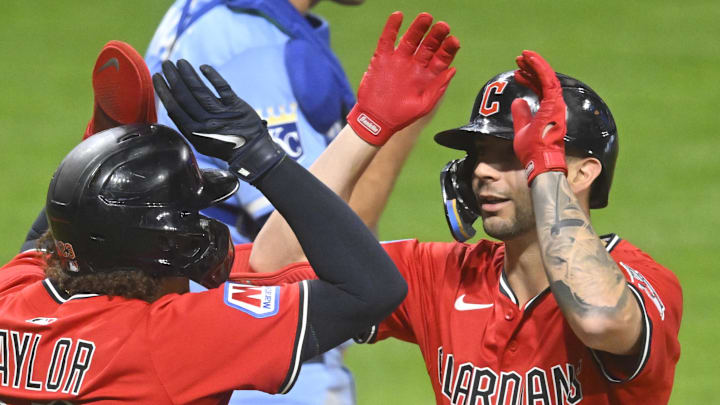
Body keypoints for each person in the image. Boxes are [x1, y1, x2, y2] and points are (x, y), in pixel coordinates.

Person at [1, 12, 458, 403]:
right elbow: (372, 288)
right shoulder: (170, 340)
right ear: (166, 245)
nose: (202, 226)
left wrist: (106, 143)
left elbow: (52, 238)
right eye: (192, 216)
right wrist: (260, 155)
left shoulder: (14, 299)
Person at [244, 51, 683, 404]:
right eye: (479, 154)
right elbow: (276, 265)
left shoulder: (641, 283)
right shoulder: (439, 275)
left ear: (582, 174)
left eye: (513, 154)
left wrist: (545, 170)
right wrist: (366, 128)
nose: (483, 173)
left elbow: (600, 319)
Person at [144, 2, 447, 403]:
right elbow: (303, 249)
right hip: (261, 355)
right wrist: (394, 127)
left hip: (208, 338)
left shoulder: (208, 15)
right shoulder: (252, 45)